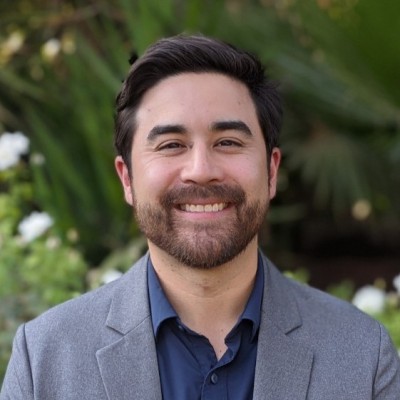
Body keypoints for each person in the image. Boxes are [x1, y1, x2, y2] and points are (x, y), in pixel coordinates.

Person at [1, 34, 399, 400]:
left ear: (271, 171)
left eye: (227, 142)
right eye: (171, 145)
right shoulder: (45, 358)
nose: (201, 170)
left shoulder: (362, 354)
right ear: (127, 179)